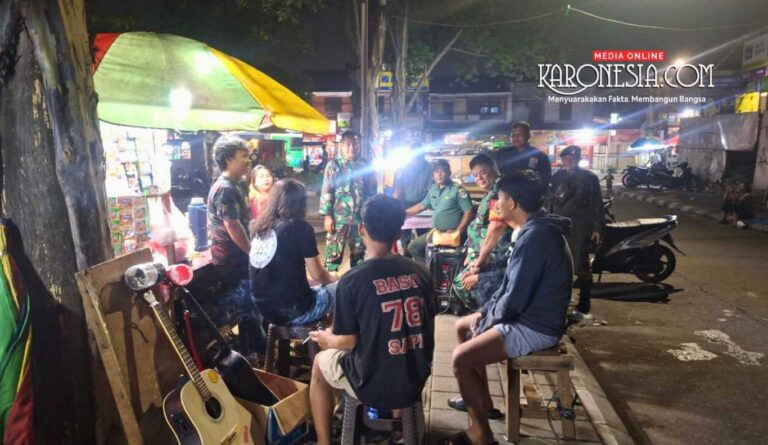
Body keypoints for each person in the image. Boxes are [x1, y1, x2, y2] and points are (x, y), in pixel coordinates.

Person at [446, 172, 573, 445]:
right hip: (526, 313)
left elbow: (514, 298)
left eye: (499, 200)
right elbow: (508, 285)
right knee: (461, 326)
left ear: (512, 203)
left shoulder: (535, 237)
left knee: (460, 359)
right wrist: (485, 313)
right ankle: (483, 402)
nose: (497, 206)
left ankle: (481, 434)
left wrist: (487, 322)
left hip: (536, 325)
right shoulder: (530, 230)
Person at [309, 195, 435, 445]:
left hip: (372, 384)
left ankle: (324, 441)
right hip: (415, 377)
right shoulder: (421, 271)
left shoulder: (352, 280)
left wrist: (326, 339)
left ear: (362, 229)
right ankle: (398, 425)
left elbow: (347, 340)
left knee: (319, 365)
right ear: (398, 233)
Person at [206, 135, 265, 355]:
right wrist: (252, 252)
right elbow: (232, 225)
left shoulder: (239, 183)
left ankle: (252, 352)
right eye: (243, 156)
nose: (249, 160)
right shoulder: (225, 188)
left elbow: (245, 218)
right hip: (231, 258)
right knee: (248, 307)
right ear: (229, 159)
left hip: (241, 255)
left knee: (250, 306)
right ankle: (258, 354)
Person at [249, 179, 338, 325]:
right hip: (295, 310)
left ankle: (305, 335)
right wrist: (335, 278)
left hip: (264, 309)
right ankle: (329, 335)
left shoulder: (260, 227)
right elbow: (318, 275)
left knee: (317, 285)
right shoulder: (300, 227)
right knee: (343, 289)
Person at [549, 145, 603, 321]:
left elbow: (596, 203)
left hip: (579, 227)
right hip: (558, 227)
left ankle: (584, 302)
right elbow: (549, 201)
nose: (570, 161)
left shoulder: (589, 178)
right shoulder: (556, 177)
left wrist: (597, 228)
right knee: (558, 265)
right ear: (562, 160)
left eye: (574, 158)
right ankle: (560, 301)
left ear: (579, 159)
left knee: (580, 265)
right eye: (566, 158)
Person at [453, 154, 512, 309]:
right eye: (475, 175)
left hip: (496, 253)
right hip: (485, 252)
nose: (479, 178)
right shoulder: (492, 192)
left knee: (462, 283)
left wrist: (479, 260)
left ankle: (485, 314)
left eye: (483, 172)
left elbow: (496, 228)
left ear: (495, 170)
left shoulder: (498, 192)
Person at [319, 130, 377, 272]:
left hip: (360, 221)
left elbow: (372, 193)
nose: (352, 148)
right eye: (348, 144)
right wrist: (327, 216)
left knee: (360, 258)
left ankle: (356, 282)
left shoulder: (367, 166)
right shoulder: (333, 166)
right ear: (341, 146)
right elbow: (327, 191)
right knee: (333, 256)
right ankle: (331, 282)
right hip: (338, 220)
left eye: (355, 144)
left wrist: (370, 217)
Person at [405, 159, 474, 263]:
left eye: (443, 170)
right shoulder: (433, 189)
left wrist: (457, 231)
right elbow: (421, 206)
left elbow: (469, 212)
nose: (439, 174)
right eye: (436, 171)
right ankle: (429, 270)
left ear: (449, 173)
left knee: (451, 260)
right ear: (432, 175)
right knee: (413, 247)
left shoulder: (458, 190)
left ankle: (437, 269)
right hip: (437, 232)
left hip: (453, 233)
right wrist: (403, 213)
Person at [393, 143, 433, 254]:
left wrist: (427, 204)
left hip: (422, 204)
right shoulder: (403, 169)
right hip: (405, 204)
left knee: (423, 235)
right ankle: (406, 256)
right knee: (405, 234)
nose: (417, 158)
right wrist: (394, 206)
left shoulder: (429, 168)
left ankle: (421, 257)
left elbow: (431, 189)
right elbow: (398, 189)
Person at [493, 121, 551, 189]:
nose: (515, 138)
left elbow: (546, 179)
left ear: (528, 136)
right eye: (513, 135)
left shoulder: (539, 156)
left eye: (519, 135)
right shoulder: (502, 154)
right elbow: (496, 173)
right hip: (506, 191)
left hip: (530, 192)